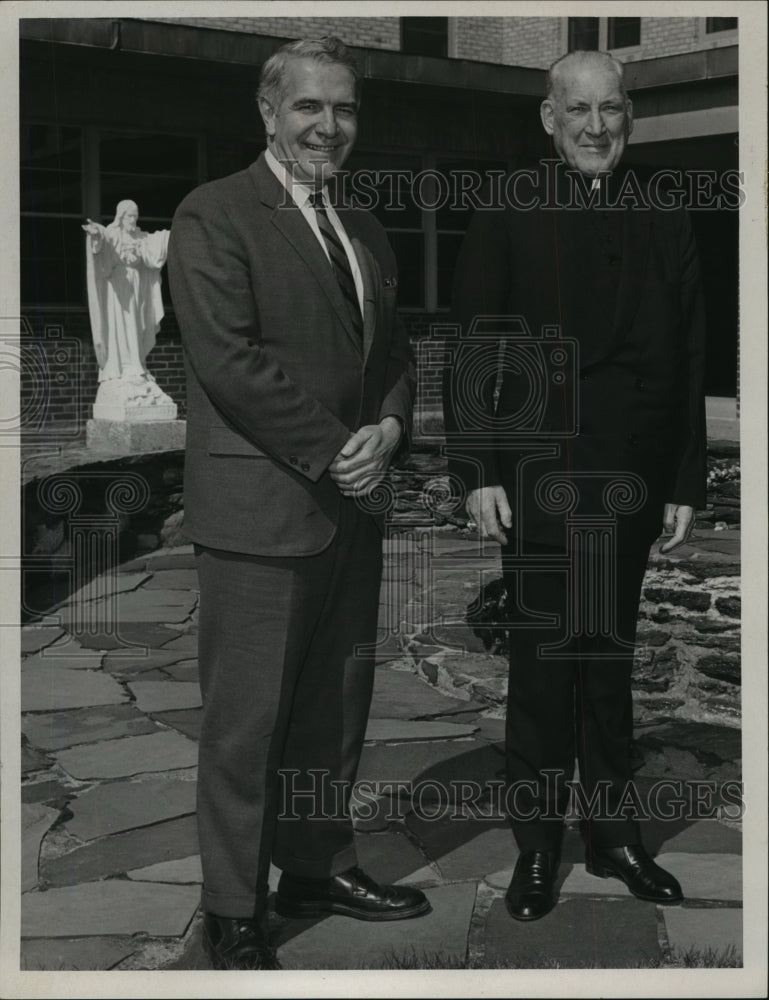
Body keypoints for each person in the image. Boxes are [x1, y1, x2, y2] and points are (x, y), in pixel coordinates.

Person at [167, 37, 424, 970]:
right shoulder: (215, 214)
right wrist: (334, 452)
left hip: (349, 508)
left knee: (333, 709)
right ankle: (233, 907)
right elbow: (228, 360)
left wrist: (388, 432)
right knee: (246, 723)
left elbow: (390, 356)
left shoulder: (363, 226)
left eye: (344, 109)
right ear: (268, 114)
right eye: (310, 107)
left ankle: (315, 867)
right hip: (259, 515)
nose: (329, 125)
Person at [443, 50, 706, 921]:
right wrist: (477, 470)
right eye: (579, 111)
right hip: (540, 479)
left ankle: (613, 835)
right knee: (544, 666)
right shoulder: (508, 208)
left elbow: (684, 355)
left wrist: (681, 479)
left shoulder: (663, 213)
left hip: (630, 479)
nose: (597, 127)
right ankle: (534, 845)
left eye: (612, 110)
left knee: (608, 660)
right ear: (549, 119)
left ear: (627, 116)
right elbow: (476, 344)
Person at [83, 201, 171, 406]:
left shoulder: (140, 237)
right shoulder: (113, 234)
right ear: (121, 216)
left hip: (138, 287)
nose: (134, 220)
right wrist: (96, 234)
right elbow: (102, 243)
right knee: (123, 327)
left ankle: (137, 363)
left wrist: (172, 235)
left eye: (135, 216)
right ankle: (125, 366)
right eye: (130, 216)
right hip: (118, 287)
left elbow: (156, 244)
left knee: (139, 325)